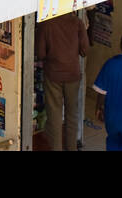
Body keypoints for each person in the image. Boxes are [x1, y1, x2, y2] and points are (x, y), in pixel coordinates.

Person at [35, 12, 89, 151]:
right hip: (72, 74)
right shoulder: (77, 23)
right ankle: (71, 148)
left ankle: (56, 148)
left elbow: (40, 53)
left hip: (53, 74)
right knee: (72, 114)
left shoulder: (45, 24)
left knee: (54, 115)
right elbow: (85, 50)